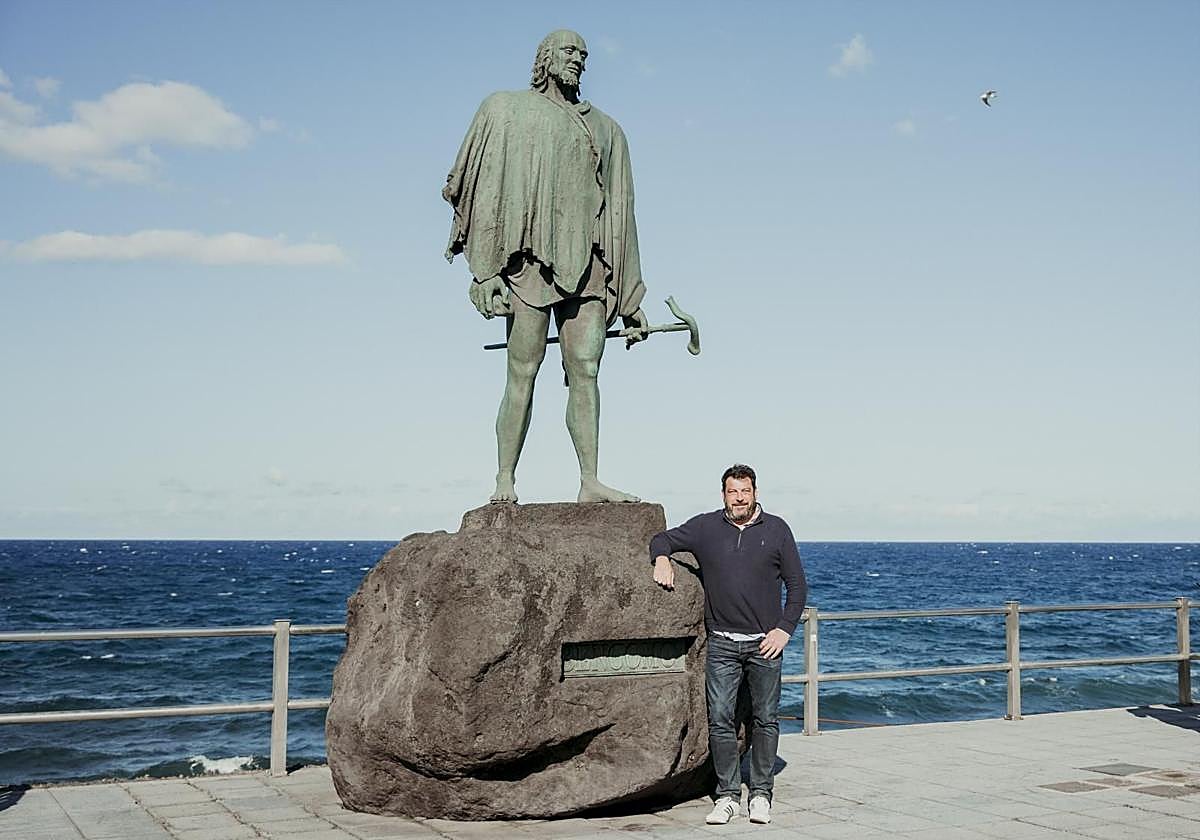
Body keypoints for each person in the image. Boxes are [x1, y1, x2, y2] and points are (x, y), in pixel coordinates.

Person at [443, 29, 650, 505]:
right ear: (546, 58)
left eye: (584, 54)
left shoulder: (608, 130)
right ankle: (504, 481)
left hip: (591, 265)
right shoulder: (507, 110)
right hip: (529, 264)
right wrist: (487, 272)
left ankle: (590, 480)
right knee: (522, 369)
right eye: (568, 51)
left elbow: (622, 212)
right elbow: (483, 185)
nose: (577, 59)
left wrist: (632, 298)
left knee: (585, 367)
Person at [650, 464, 807, 826]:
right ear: (723, 494)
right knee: (720, 720)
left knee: (765, 720)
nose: (740, 498)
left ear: (755, 492)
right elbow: (663, 538)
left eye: (745, 491)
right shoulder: (706, 527)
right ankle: (727, 796)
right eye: (733, 492)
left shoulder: (777, 529)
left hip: (765, 644)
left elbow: (797, 587)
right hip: (722, 643)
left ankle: (762, 794)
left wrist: (783, 630)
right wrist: (660, 559)